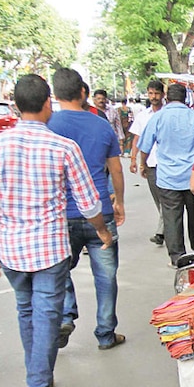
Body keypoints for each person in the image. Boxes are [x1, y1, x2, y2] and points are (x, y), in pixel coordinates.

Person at [0, 74, 112, 387]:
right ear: (48, 102)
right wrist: (100, 230)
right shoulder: (62, 147)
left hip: (13, 252)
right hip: (49, 250)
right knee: (46, 318)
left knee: (27, 312)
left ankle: (40, 378)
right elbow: (88, 201)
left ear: (16, 106)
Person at [48, 69, 126, 352]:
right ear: (83, 93)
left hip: (62, 215)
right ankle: (105, 333)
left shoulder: (48, 125)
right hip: (100, 211)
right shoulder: (101, 125)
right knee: (106, 277)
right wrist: (119, 201)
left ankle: (67, 314)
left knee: (59, 270)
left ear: (55, 95)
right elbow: (115, 169)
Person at [137, 82, 194, 265]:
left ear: (167, 98)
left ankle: (177, 257)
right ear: (185, 98)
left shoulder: (158, 118)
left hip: (167, 179)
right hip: (193, 177)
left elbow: (145, 146)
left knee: (171, 218)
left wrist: (142, 164)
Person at [129, 80, 166, 246]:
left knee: (167, 200)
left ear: (162, 94)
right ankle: (166, 227)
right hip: (150, 163)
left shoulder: (168, 113)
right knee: (159, 200)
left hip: (166, 163)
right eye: (151, 93)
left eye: (157, 93)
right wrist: (134, 159)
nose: (154, 97)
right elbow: (137, 137)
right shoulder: (143, 116)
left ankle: (162, 231)